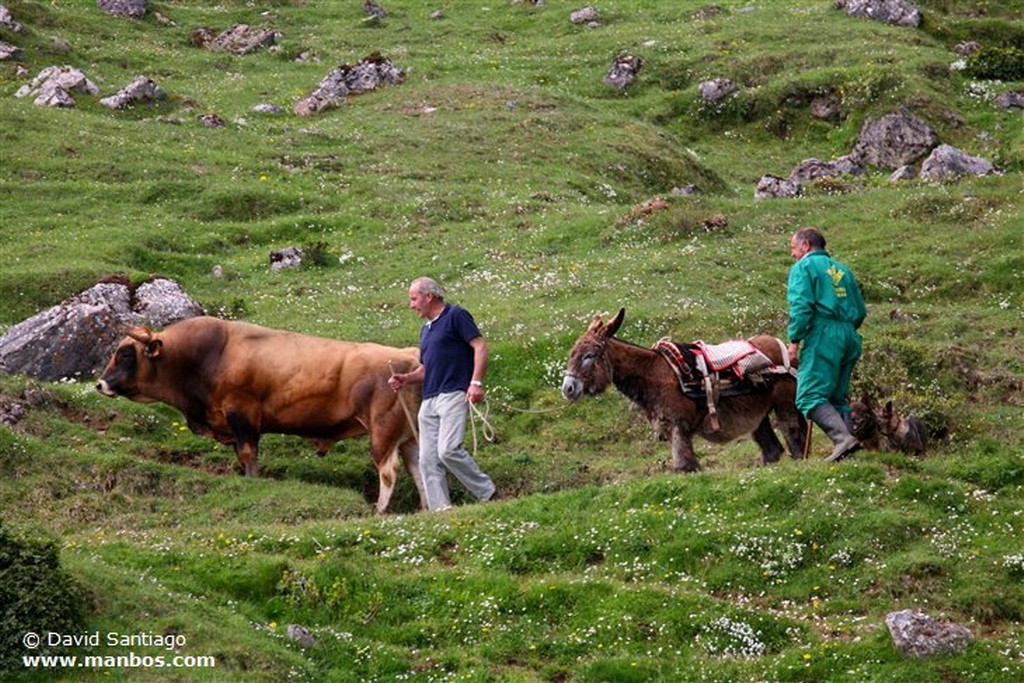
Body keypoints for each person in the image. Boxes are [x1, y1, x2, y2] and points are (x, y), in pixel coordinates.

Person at [388, 276, 499, 510]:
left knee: (448, 450)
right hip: (429, 400)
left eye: (414, 299)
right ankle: (442, 512)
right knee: (427, 460)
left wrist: (476, 382)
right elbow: (427, 369)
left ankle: (489, 493)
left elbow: (479, 346)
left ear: (429, 296)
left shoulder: (456, 316)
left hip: (453, 394)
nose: (411, 305)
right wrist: (406, 379)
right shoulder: (425, 330)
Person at [786, 227, 867, 462]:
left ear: (806, 246)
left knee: (809, 395)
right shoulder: (842, 269)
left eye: (793, 248)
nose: (793, 254)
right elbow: (860, 310)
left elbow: (801, 306)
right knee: (836, 395)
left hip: (823, 334)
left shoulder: (804, 268)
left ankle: (842, 440)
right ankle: (849, 451)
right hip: (849, 334)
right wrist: (845, 330)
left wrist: (794, 341)